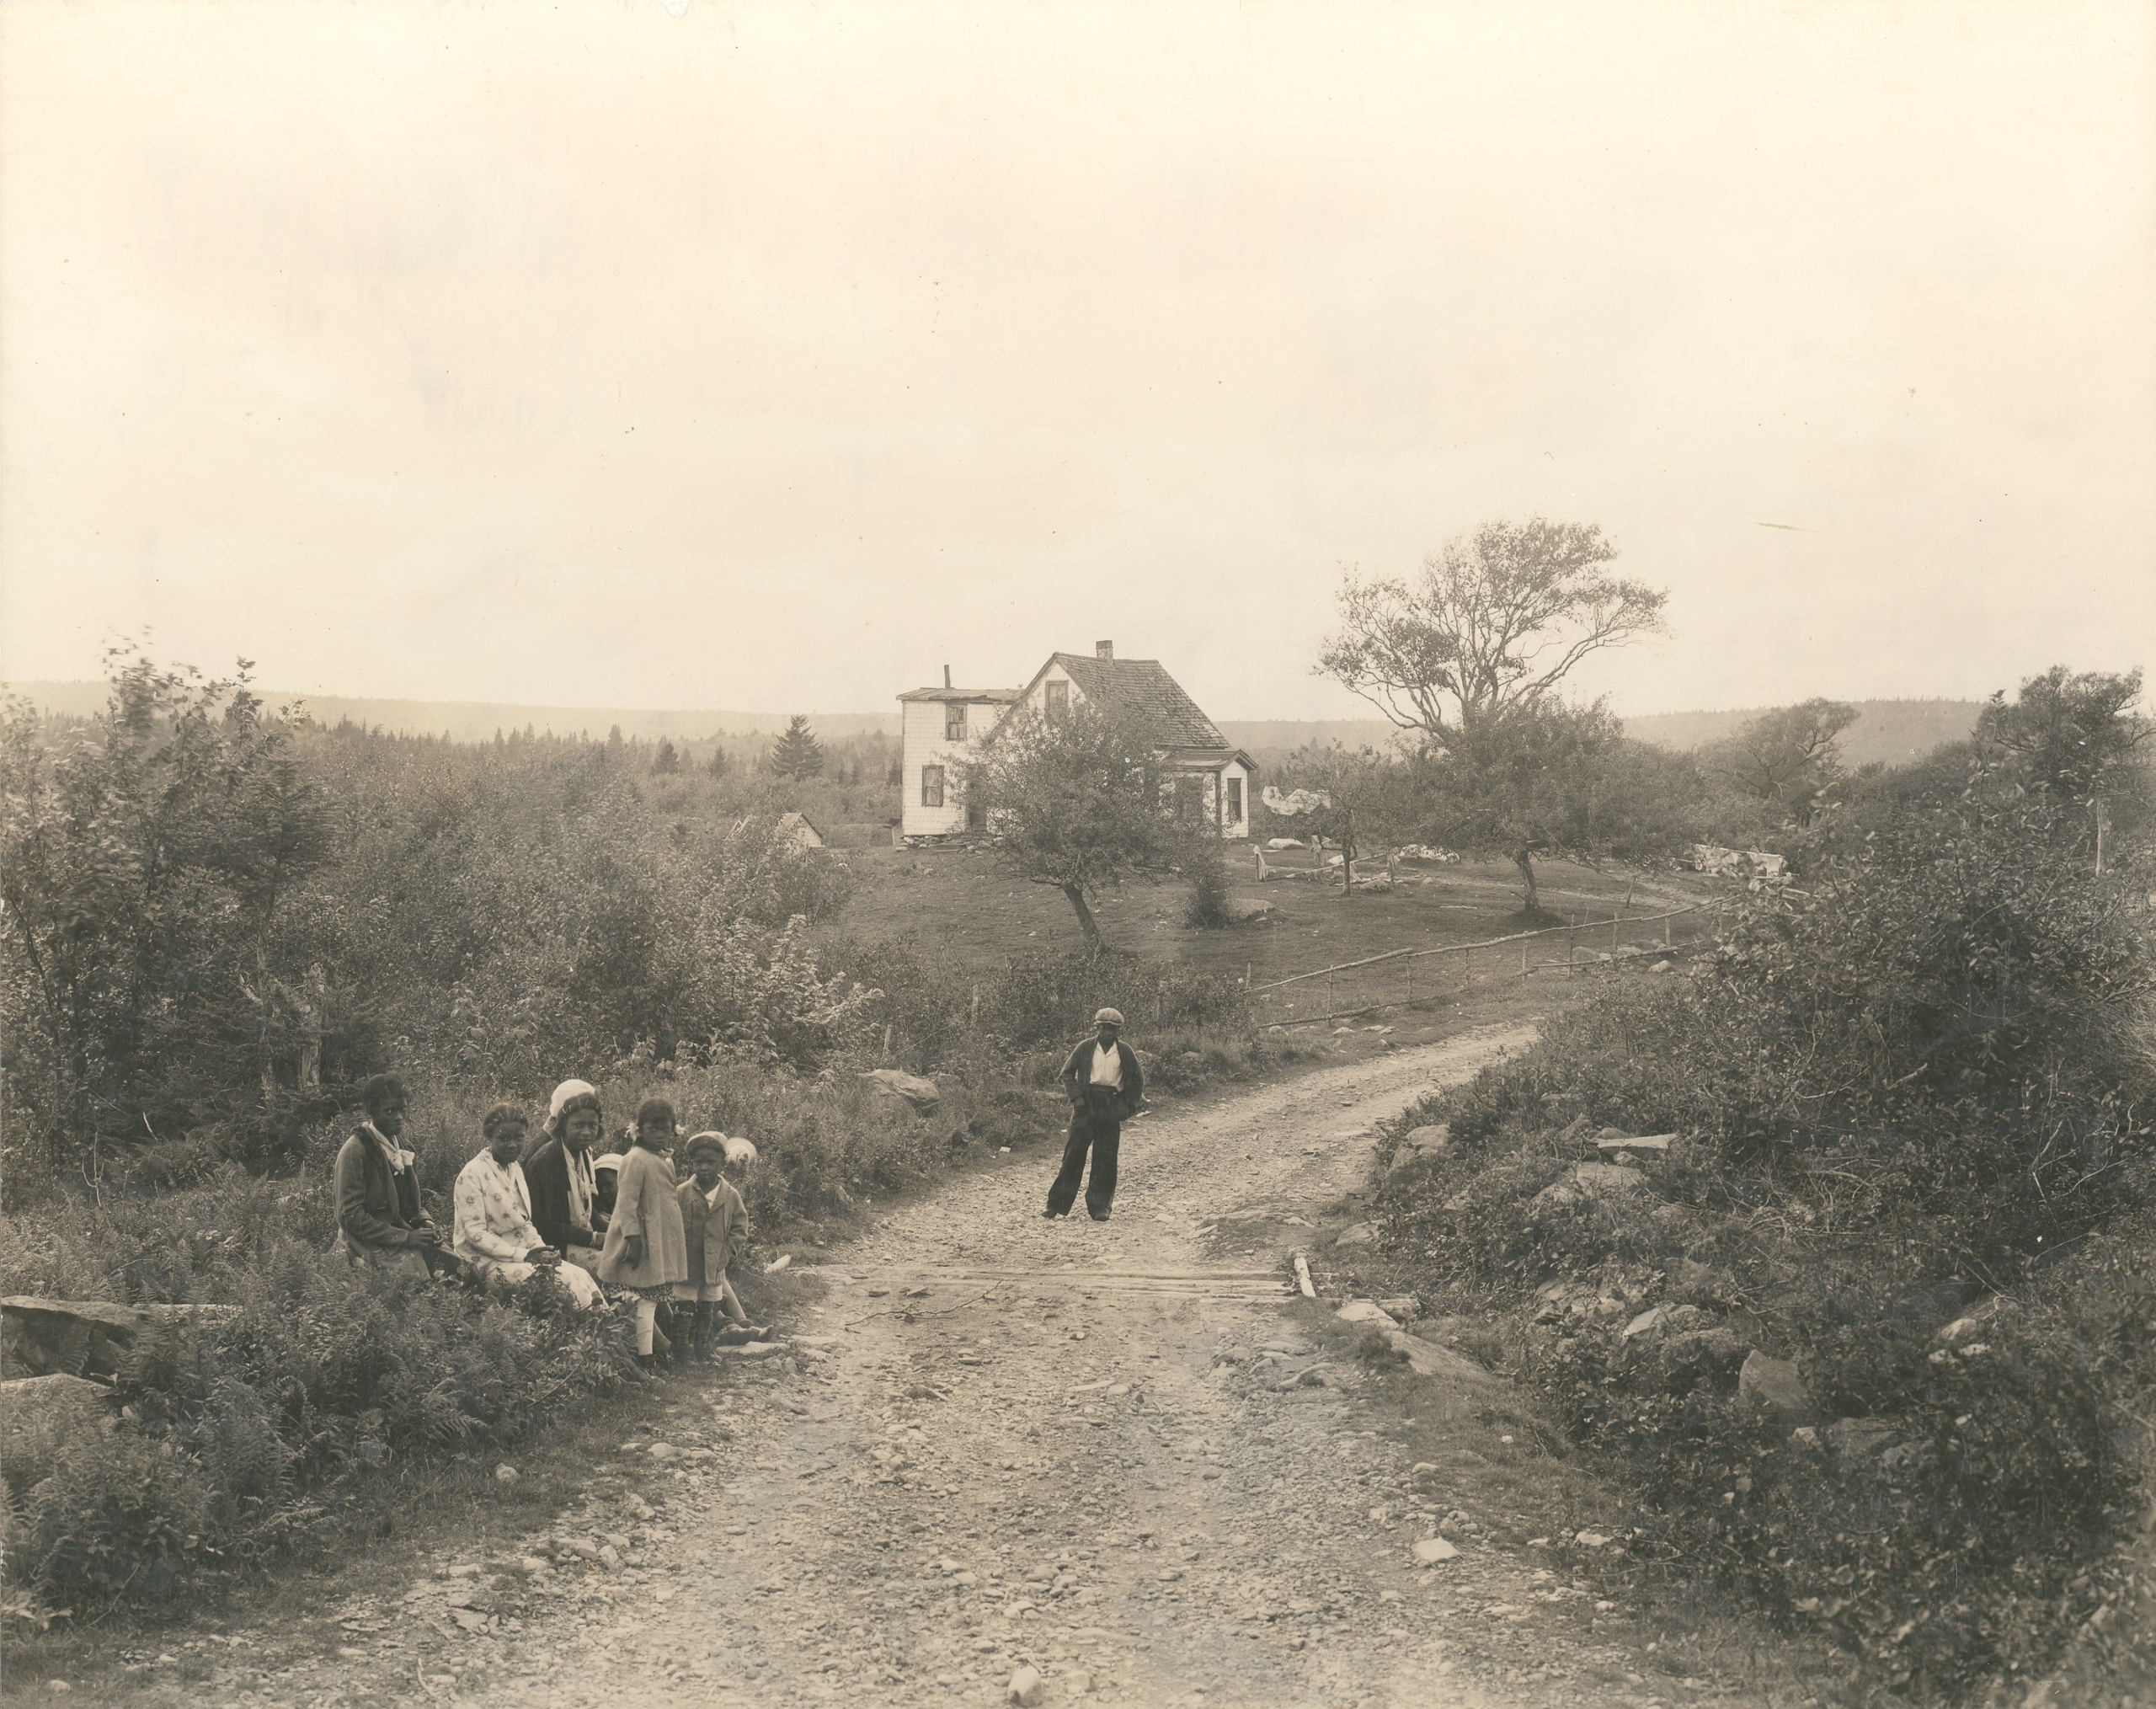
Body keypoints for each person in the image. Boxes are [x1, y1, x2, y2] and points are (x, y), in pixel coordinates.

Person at [452, 1104, 604, 1309]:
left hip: (522, 1255)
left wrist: (540, 1249)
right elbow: (475, 1235)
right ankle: (594, 1332)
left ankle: (605, 1329)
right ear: (490, 1136)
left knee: (580, 1274)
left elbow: (525, 1223)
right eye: (504, 1138)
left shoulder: (514, 1168)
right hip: (484, 1263)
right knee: (568, 1281)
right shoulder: (472, 1175)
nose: (513, 1145)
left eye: (519, 1138)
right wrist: (525, 1256)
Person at [334, 1073, 457, 1279]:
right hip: (367, 1241)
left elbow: (409, 1205)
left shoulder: (403, 1147)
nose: (398, 1117)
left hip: (403, 1233)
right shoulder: (356, 1151)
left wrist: (426, 1222)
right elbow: (350, 1217)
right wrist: (405, 1237)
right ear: (372, 1112)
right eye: (389, 1111)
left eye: (403, 1109)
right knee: (419, 1284)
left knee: (460, 1269)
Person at [598, 1098, 691, 1371]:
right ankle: (644, 1356)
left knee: (649, 1299)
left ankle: (649, 1353)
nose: (660, 1134)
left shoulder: (664, 1157)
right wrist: (633, 1239)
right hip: (642, 1239)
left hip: (660, 1237)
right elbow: (626, 1205)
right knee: (642, 1299)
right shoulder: (635, 1159)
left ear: (674, 1130)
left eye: (666, 1128)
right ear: (639, 1129)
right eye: (653, 1129)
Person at [1046, 1007, 1145, 1221]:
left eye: (1113, 1028)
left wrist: (1126, 1108)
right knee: (1073, 1156)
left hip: (1111, 1106)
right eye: (1104, 1027)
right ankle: (1055, 1205)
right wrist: (1076, 1098)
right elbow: (1067, 1073)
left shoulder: (1125, 1051)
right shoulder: (1085, 1047)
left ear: (1118, 1030)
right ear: (1097, 1027)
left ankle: (1100, 1207)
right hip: (1086, 1107)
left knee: (1105, 1158)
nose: (1108, 1032)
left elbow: (1137, 1080)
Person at [675, 1133, 755, 1359]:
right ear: (692, 1163)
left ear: (722, 1164)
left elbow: (740, 1228)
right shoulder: (682, 1193)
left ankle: (703, 1347)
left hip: (715, 1262)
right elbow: (671, 1225)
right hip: (687, 1262)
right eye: (699, 1162)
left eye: (710, 1162)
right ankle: (681, 1348)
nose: (704, 1168)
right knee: (684, 1303)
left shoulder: (730, 1196)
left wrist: (727, 1252)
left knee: (709, 1304)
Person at [523, 1080, 609, 1273]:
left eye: (592, 1125)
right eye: (578, 1125)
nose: (586, 1132)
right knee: (619, 1265)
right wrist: (593, 1238)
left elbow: (586, 1204)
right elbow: (542, 1224)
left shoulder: (582, 1153)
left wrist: (606, 1229)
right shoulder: (545, 1159)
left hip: (576, 1237)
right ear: (563, 1126)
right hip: (554, 1247)